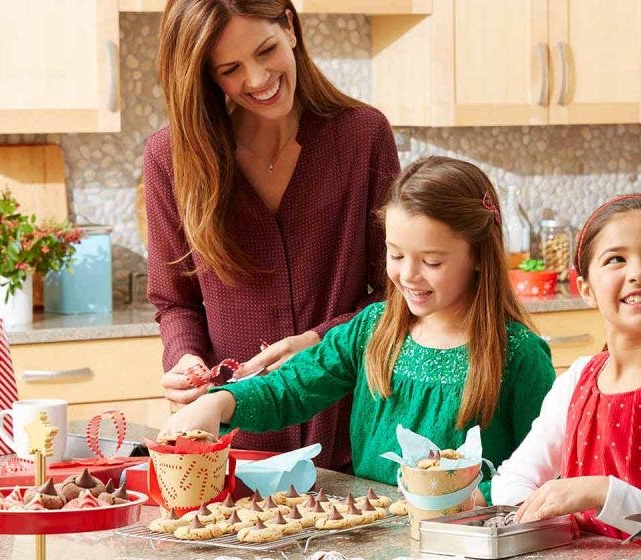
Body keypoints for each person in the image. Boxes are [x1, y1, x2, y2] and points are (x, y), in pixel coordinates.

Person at [159, 156, 556, 502]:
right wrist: (218, 403)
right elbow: (293, 388)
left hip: (467, 553)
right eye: (395, 254)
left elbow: (543, 473)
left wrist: (467, 501)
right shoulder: (374, 328)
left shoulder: (519, 355)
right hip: (374, 548)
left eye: (432, 262)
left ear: (479, 256)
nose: (408, 275)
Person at [145, 0, 400, 470]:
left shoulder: (364, 135)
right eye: (231, 68)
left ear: (290, 27)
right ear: (207, 77)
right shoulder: (172, 158)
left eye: (266, 50)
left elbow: (394, 293)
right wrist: (183, 358)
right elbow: (175, 301)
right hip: (233, 449)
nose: (258, 78)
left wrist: (321, 340)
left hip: (347, 435)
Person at [488, 194, 641, 544]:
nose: (639, 273)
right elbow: (512, 479)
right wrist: (553, 517)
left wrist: (602, 493)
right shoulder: (577, 379)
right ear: (585, 288)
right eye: (616, 259)